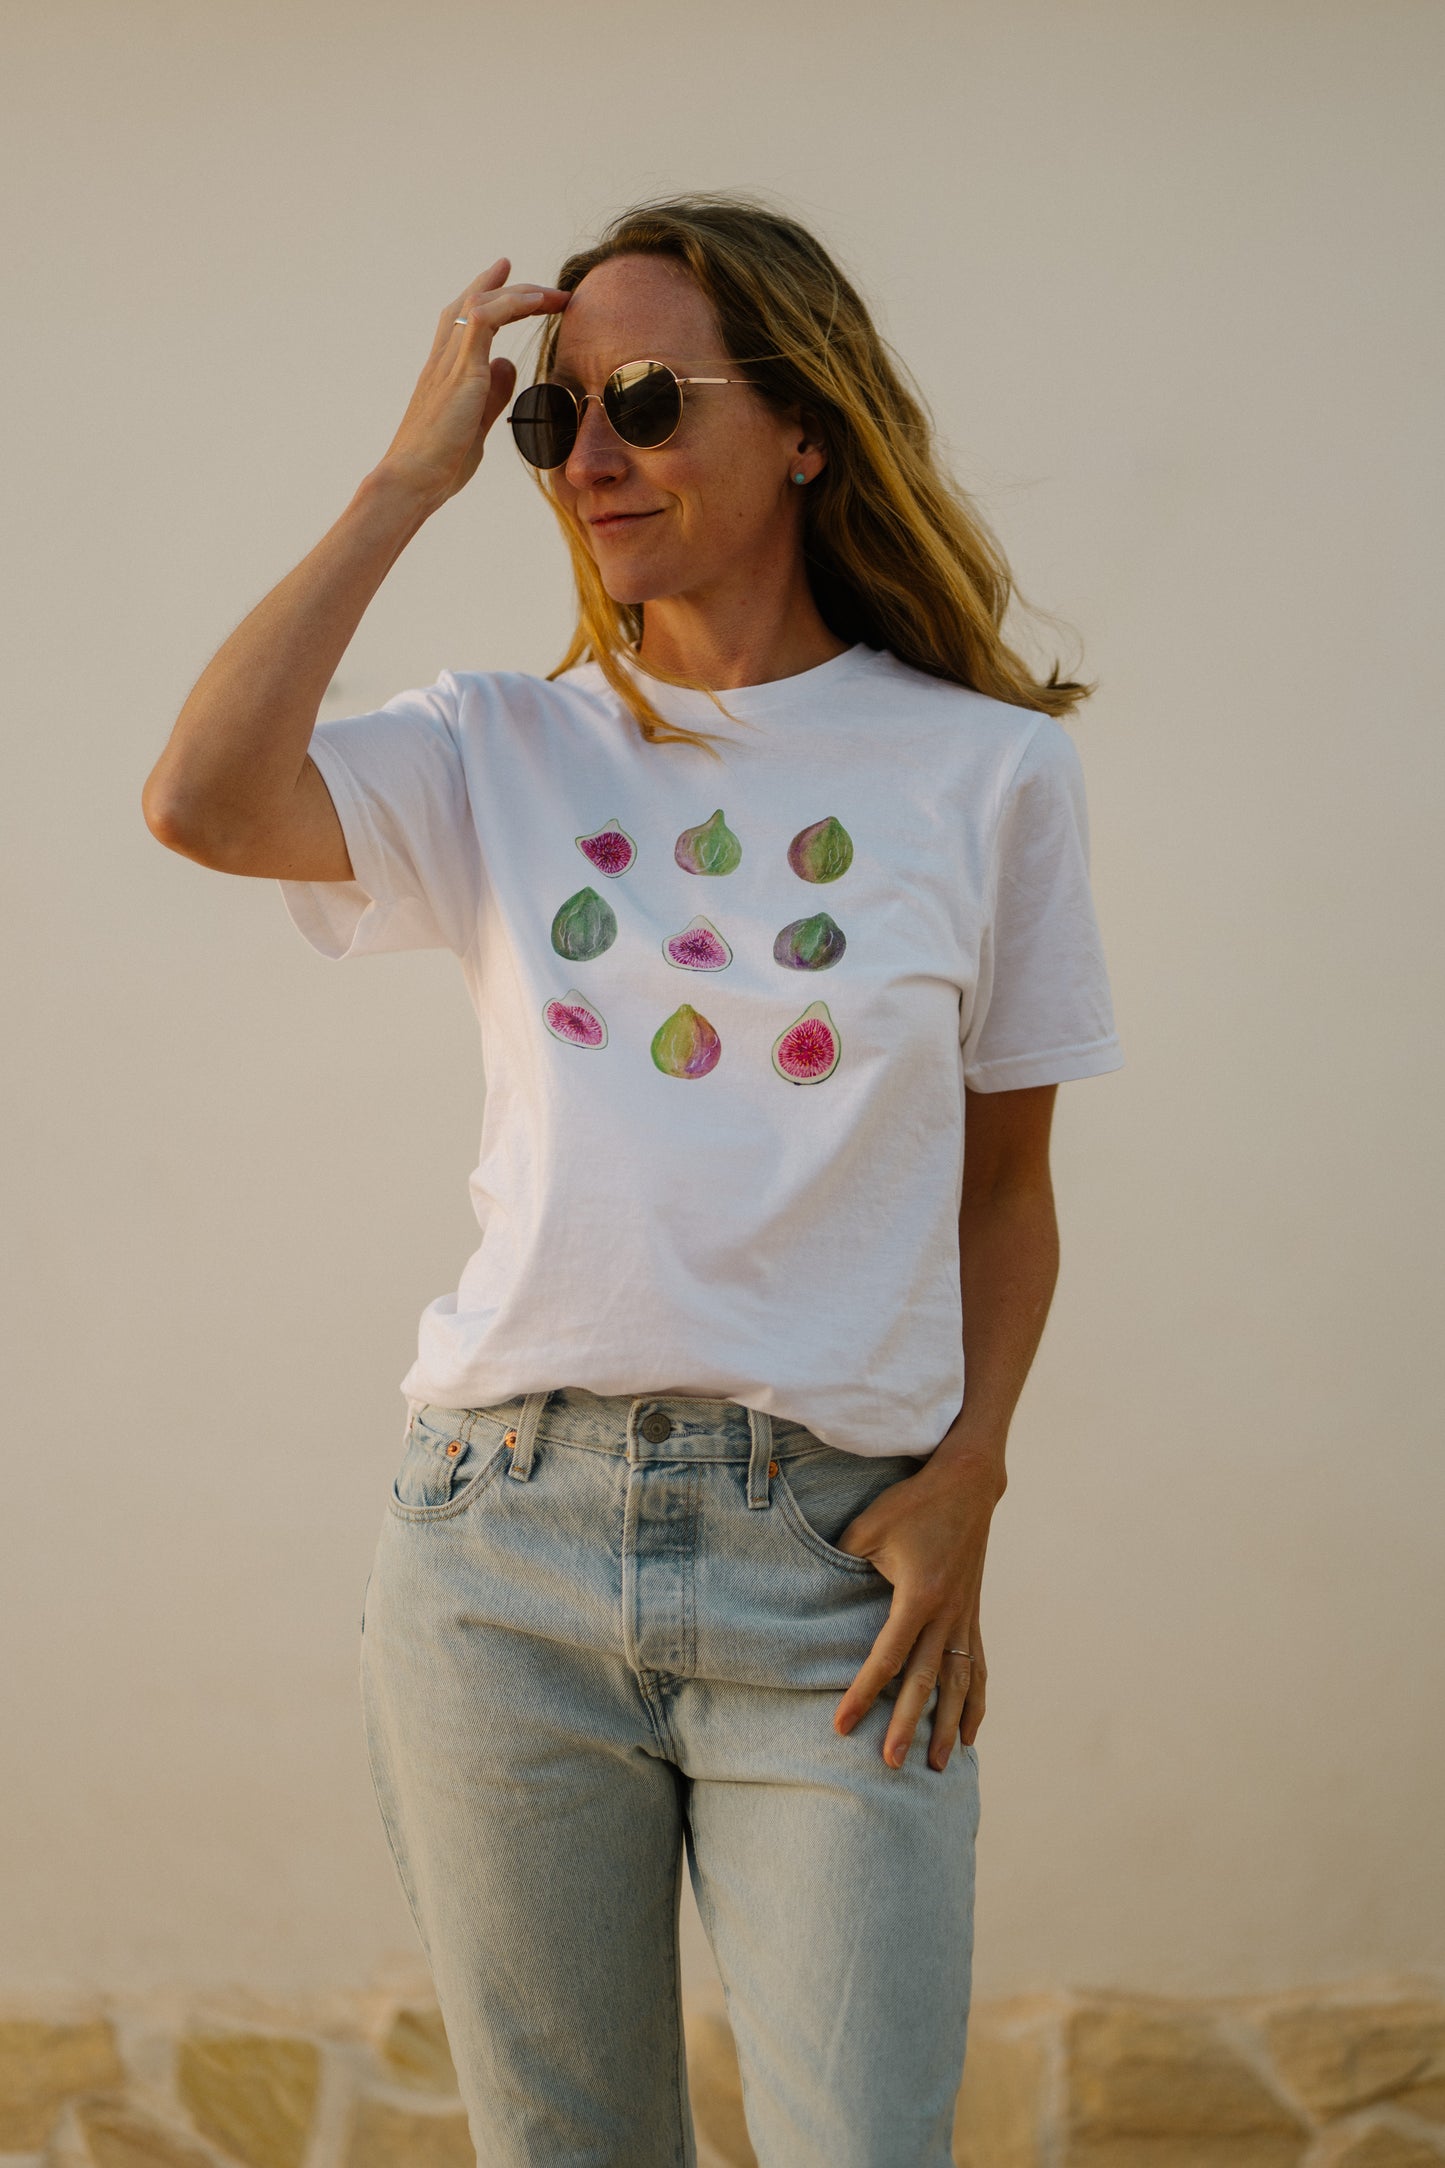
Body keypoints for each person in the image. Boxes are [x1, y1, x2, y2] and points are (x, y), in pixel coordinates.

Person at [142, 194, 1124, 2168]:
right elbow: (204, 797)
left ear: (809, 425)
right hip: (500, 1551)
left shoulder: (985, 774)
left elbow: (1005, 1186)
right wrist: (406, 475)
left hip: (831, 1572)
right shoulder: (499, 747)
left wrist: (972, 1478)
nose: (591, 457)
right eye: (553, 418)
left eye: (652, 402)